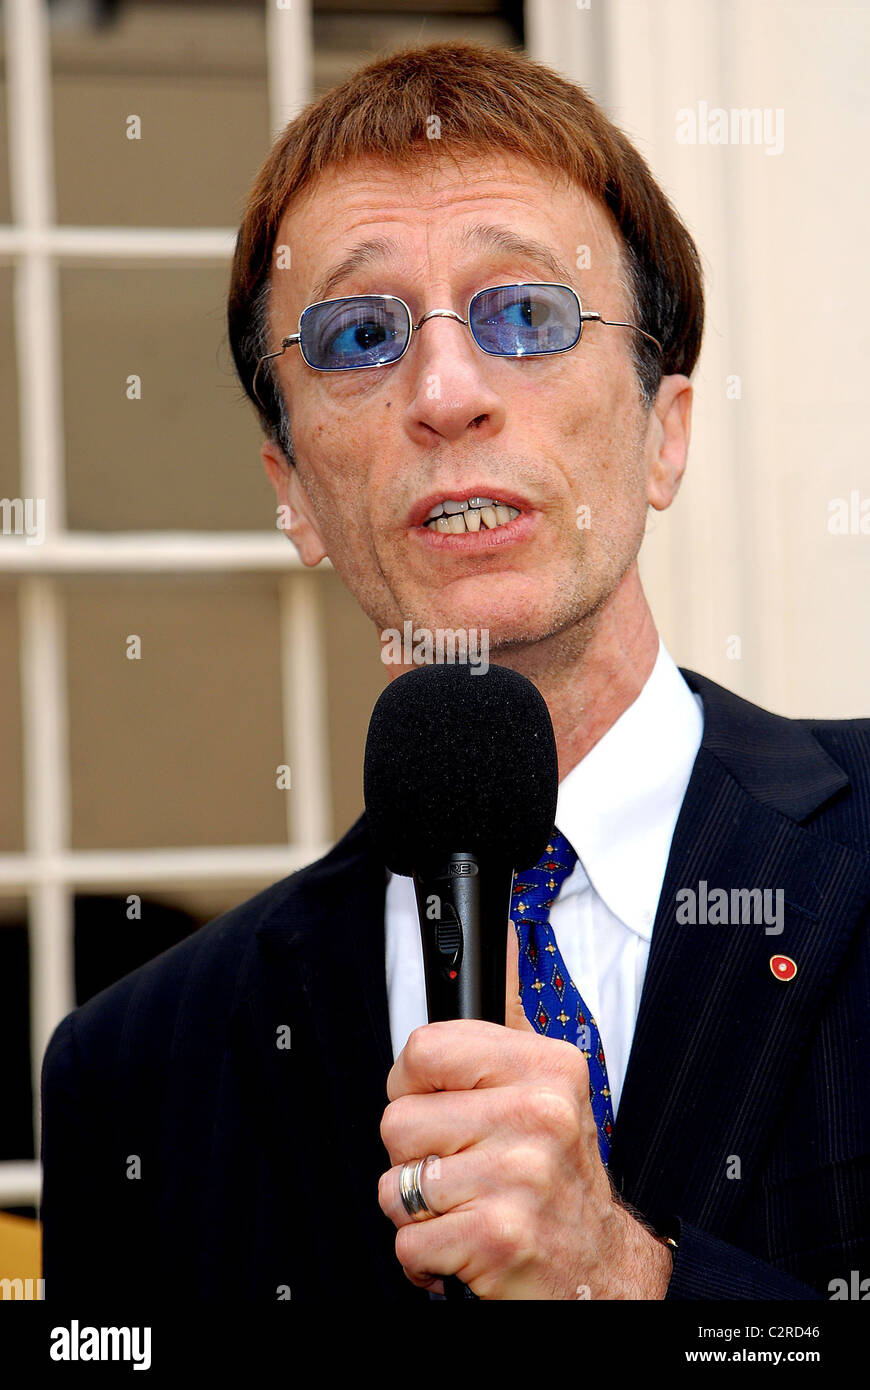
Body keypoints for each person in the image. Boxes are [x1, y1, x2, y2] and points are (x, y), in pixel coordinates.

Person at [41, 40, 869, 1302]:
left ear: (664, 432)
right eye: (361, 334)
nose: (444, 391)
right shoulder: (135, 1072)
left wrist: (631, 1281)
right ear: (293, 494)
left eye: (525, 314)